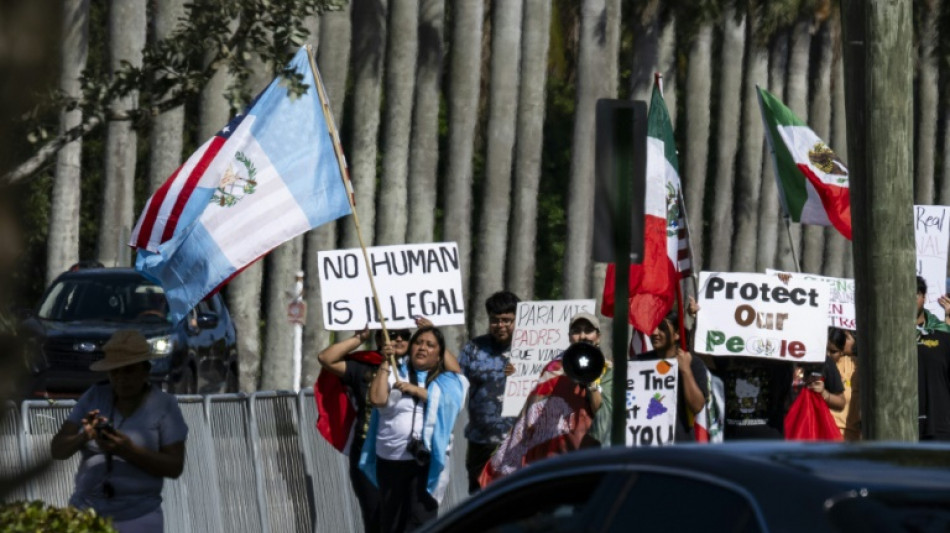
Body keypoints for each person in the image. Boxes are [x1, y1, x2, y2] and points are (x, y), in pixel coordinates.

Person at [50, 330, 188, 533]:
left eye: (129, 370)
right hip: (86, 513)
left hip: (138, 516)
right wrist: (83, 436)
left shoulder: (164, 406)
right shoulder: (95, 396)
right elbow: (57, 450)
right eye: (115, 372)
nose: (122, 379)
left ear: (145, 370)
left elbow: (175, 467)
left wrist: (129, 450)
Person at [359, 326, 468, 532]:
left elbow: (451, 403)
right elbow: (377, 399)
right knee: (392, 522)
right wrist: (384, 362)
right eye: (418, 342)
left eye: (430, 345)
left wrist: (417, 391)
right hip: (391, 459)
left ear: (439, 355)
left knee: (421, 521)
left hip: (425, 461)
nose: (422, 348)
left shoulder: (447, 380)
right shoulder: (394, 371)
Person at [479, 312, 606, 486]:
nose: (583, 336)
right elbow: (531, 414)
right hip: (557, 458)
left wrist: (591, 380)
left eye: (588, 330)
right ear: (569, 337)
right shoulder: (554, 369)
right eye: (576, 331)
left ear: (598, 336)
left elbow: (604, 411)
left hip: (592, 456)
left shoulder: (609, 370)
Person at [315, 326, 412, 533]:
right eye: (392, 335)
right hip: (369, 454)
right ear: (379, 339)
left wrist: (429, 330)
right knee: (376, 516)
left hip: (405, 454)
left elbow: (451, 371)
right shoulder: (363, 365)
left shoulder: (419, 367)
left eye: (405, 335)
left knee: (408, 517)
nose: (399, 340)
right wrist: (358, 338)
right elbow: (326, 358)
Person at [458, 291, 518, 494]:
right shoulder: (474, 348)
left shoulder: (531, 349)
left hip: (518, 442)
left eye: (506, 320)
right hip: (481, 442)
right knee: (479, 499)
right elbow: (457, 382)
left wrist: (522, 372)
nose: (500, 325)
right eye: (495, 320)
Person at [634, 312, 709, 442]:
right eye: (653, 327)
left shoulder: (693, 363)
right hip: (645, 447)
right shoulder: (637, 363)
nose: (655, 333)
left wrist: (685, 370)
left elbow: (697, 406)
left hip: (679, 447)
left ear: (677, 334)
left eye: (662, 328)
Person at [916, 276, 950, 440]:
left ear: (924, 297)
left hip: (938, 426)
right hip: (900, 425)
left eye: (914, 295)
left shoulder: (943, 334)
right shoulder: (889, 335)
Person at [828, 328, 861, 441]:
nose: (828, 355)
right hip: (820, 437)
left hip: (849, 439)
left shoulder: (858, 366)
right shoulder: (815, 365)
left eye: (833, 351)